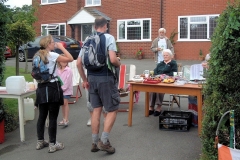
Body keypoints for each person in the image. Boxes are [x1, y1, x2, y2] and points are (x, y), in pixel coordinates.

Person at [77, 16, 121, 154]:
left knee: (96, 109)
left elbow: (78, 63)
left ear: (94, 26)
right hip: (105, 78)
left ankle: (94, 143)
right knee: (112, 109)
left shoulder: (87, 40)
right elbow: (113, 59)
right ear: (105, 25)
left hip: (91, 78)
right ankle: (104, 141)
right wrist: (119, 63)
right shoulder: (109, 38)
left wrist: (85, 80)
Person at [35, 35, 73, 153]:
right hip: (52, 88)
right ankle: (53, 144)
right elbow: (70, 58)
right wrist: (62, 48)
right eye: (52, 42)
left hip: (41, 88)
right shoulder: (52, 55)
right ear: (47, 44)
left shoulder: (37, 55)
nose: (54, 44)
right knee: (52, 117)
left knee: (42, 116)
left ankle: (40, 141)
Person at [149, 49, 178, 116]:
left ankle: (159, 107)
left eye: (166, 55)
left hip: (167, 82)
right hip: (158, 80)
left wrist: (165, 76)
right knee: (151, 90)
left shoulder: (173, 63)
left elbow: (174, 73)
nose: (165, 56)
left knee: (159, 90)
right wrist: (157, 76)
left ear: (170, 56)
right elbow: (155, 71)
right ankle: (151, 107)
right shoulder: (160, 64)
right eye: (164, 55)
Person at [57, 54, 73, 127]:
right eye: (62, 61)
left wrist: (62, 89)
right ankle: (64, 118)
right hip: (59, 90)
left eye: (65, 61)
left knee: (65, 103)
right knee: (62, 104)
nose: (64, 62)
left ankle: (66, 119)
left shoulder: (68, 70)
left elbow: (67, 81)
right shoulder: (57, 70)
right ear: (59, 62)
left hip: (66, 90)